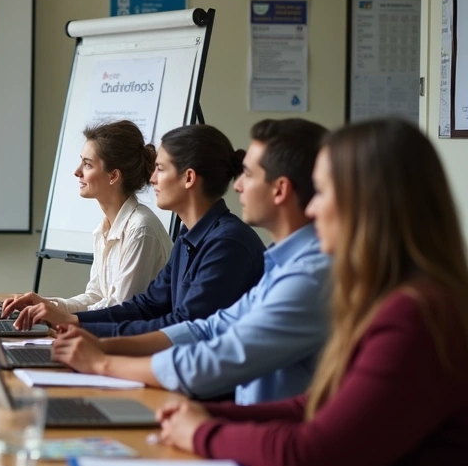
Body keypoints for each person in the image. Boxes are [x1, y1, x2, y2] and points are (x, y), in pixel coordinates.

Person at [157, 119, 468, 466]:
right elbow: (319, 406)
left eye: (321, 192)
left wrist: (202, 434)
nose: (314, 208)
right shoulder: (395, 298)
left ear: (368, 203)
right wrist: (212, 418)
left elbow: (311, 456)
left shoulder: (417, 315)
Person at [51, 119, 329, 405]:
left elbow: (209, 351)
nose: (239, 186)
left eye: (249, 174)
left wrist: (101, 359)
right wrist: (87, 332)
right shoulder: (202, 240)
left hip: (231, 410)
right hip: (229, 411)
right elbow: (196, 325)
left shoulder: (241, 248)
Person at [13, 124, 265, 335]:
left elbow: (184, 329)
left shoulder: (227, 244)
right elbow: (147, 306)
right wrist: (71, 320)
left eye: (161, 169)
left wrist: (78, 329)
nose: (152, 178)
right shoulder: (188, 238)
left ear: (188, 178)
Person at [3, 120, 172, 316]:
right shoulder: (103, 229)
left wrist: (62, 317)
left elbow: (121, 308)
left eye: (87, 164)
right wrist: (49, 306)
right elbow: (96, 296)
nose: (77, 172)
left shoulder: (141, 230)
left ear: (113, 176)